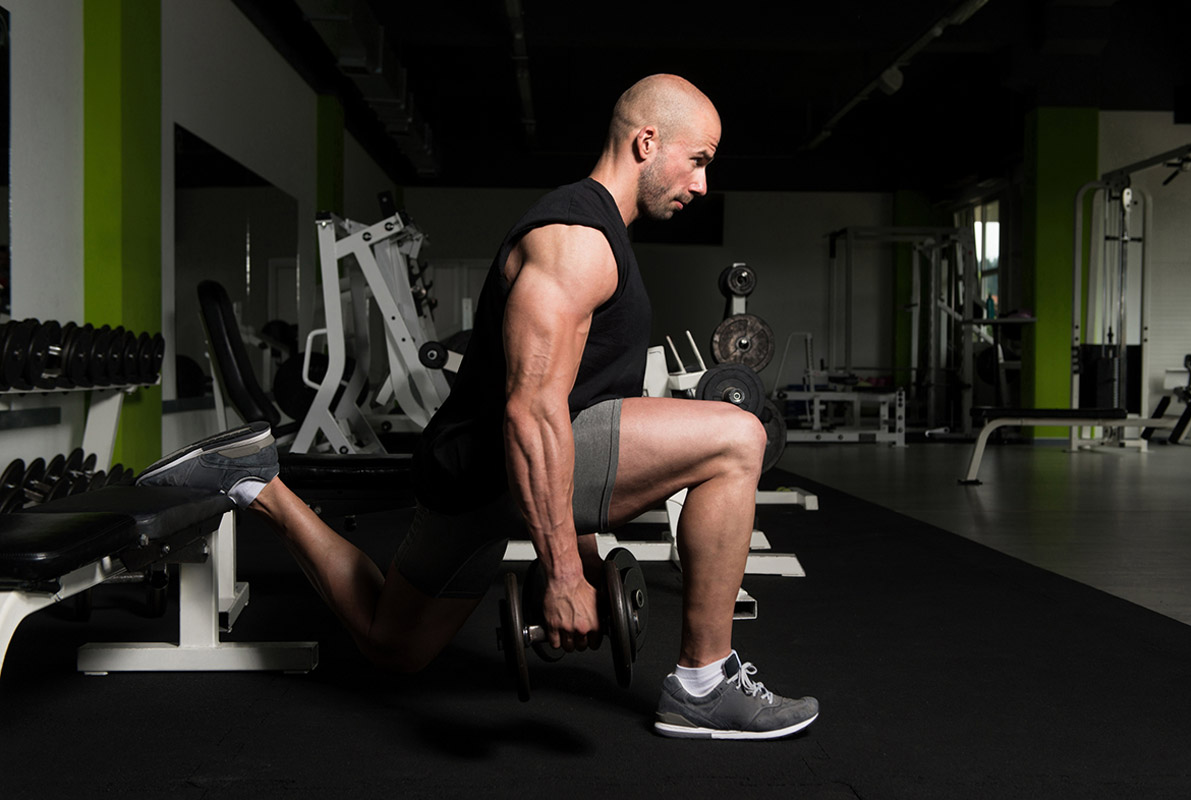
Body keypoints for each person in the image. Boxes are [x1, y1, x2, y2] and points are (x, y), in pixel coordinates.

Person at [140, 74, 818, 740]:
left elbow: (579, 409)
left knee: (390, 645)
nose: (702, 183)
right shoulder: (578, 242)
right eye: (698, 160)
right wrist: (558, 576)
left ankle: (257, 483)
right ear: (647, 141)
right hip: (500, 459)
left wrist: (581, 560)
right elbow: (534, 413)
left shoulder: (594, 232)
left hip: (466, 474)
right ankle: (704, 683)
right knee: (737, 436)